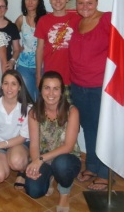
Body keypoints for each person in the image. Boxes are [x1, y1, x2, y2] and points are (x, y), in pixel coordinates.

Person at [69, 0, 124, 191]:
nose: (85, 7)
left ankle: (106, 173)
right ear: (76, 4)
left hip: (101, 89)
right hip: (78, 86)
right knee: (89, 128)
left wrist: (123, 69)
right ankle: (93, 166)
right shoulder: (77, 22)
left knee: (106, 130)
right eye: (81, 3)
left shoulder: (108, 19)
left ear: (97, 2)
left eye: (89, 2)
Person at [25, 71, 81, 212]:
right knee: (34, 190)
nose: (51, 93)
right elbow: (34, 144)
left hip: (67, 159)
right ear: (41, 90)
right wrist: (35, 162)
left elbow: (68, 147)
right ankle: (50, 176)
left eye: (56, 88)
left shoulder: (72, 112)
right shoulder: (33, 112)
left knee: (61, 164)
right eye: (47, 88)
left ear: (62, 91)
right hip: (45, 159)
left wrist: (40, 160)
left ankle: (64, 193)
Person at [0, 69, 33, 189]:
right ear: (1, 86)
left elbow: (22, 137)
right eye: (6, 83)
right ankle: (4, 159)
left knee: (16, 161)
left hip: (18, 144)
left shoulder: (28, 107)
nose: (9, 88)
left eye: (13, 84)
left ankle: (23, 168)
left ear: (20, 87)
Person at [34, 0, 79, 101]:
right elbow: (39, 49)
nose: (58, 0)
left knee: (70, 113)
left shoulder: (77, 19)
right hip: (50, 77)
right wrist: (38, 75)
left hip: (72, 78)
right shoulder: (43, 21)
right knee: (49, 114)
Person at [15, 0, 47, 100]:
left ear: (39, 1)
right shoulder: (21, 19)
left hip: (43, 66)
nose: (30, 2)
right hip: (24, 66)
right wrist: (17, 49)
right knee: (28, 99)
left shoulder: (46, 18)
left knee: (42, 99)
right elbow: (11, 37)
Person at [0, 0, 21, 69]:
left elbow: (16, 49)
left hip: (6, 66)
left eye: (2, 6)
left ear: (6, 9)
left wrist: (12, 61)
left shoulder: (12, 27)